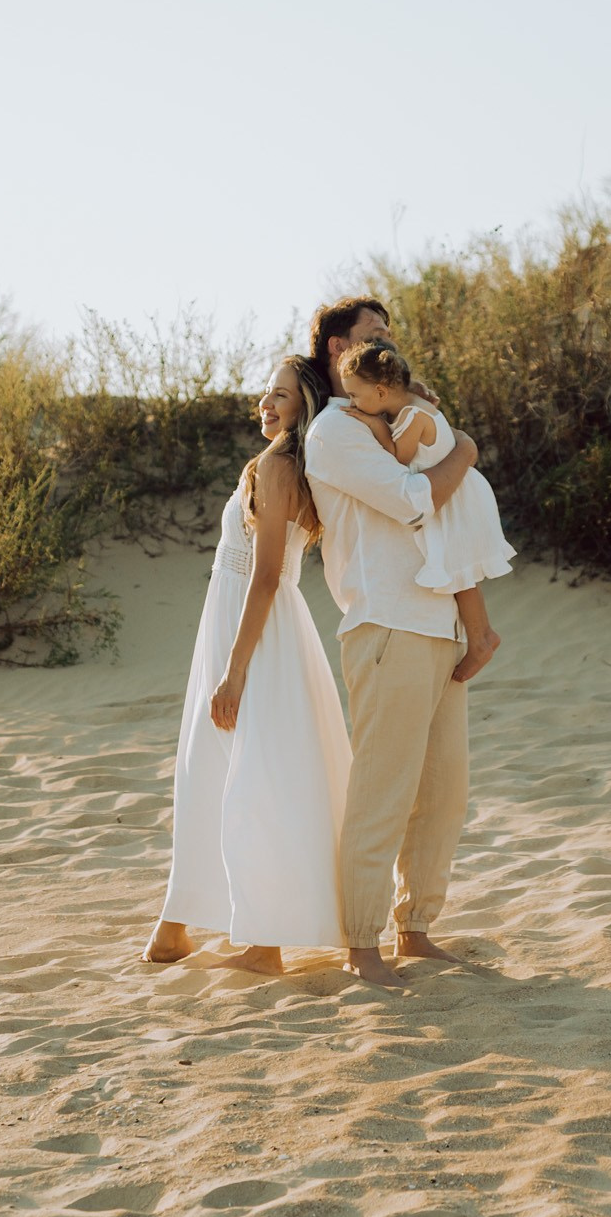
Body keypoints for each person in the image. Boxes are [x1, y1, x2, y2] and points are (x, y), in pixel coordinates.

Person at [303, 296, 490, 989]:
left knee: (444, 790)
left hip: (436, 622)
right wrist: (466, 449)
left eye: (389, 334)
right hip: (385, 624)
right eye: (372, 335)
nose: (389, 347)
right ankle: (362, 942)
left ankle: (417, 927)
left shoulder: (395, 422)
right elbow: (417, 497)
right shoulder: (334, 432)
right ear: (337, 351)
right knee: (383, 790)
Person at [144, 356, 352, 975]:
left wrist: (234, 671)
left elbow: (264, 578)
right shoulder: (282, 465)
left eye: (282, 396)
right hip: (244, 625)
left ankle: (262, 944)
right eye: (265, 393)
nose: (266, 403)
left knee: (248, 770)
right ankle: (179, 923)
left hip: (256, 633)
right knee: (222, 765)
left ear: (305, 407)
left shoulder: (280, 465)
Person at [333, 337, 513, 681]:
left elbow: (398, 460)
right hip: (456, 491)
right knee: (459, 573)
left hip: (456, 498)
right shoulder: (410, 404)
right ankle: (481, 635)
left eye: (356, 394)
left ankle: (482, 638)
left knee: (461, 573)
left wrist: (373, 425)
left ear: (382, 392)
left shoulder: (413, 415)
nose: (352, 401)